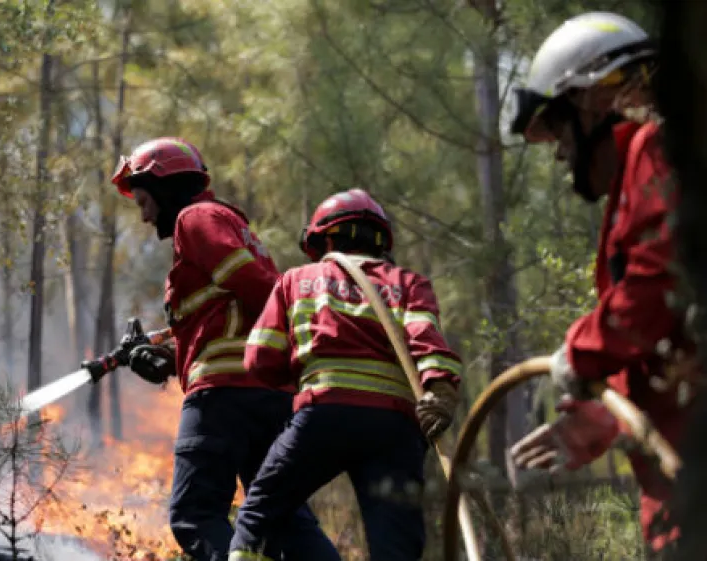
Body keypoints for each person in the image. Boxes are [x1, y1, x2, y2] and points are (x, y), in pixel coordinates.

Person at [506, 11, 700, 555]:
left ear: (594, 99)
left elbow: (660, 281)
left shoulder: (660, 149)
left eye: (559, 134)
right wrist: (602, 416)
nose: (562, 155)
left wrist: (582, 350)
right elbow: (671, 334)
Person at [110, 137, 340, 561]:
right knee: (282, 517)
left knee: (195, 514)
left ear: (165, 187)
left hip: (223, 397)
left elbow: (254, 289)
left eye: (143, 201)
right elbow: (225, 324)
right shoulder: (228, 228)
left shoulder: (196, 218)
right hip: (267, 396)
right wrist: (165, 360)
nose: (143, 216)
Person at [226, 189, 463, 561]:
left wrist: (301, 376)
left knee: (259, 516)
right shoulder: (408, 283)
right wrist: (441, 391)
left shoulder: (295, 280)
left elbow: (259, 358)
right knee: (396, 546)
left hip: (323, 416)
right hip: (394, 428)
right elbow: (427, 341)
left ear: (326, 238)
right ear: (381, 241)